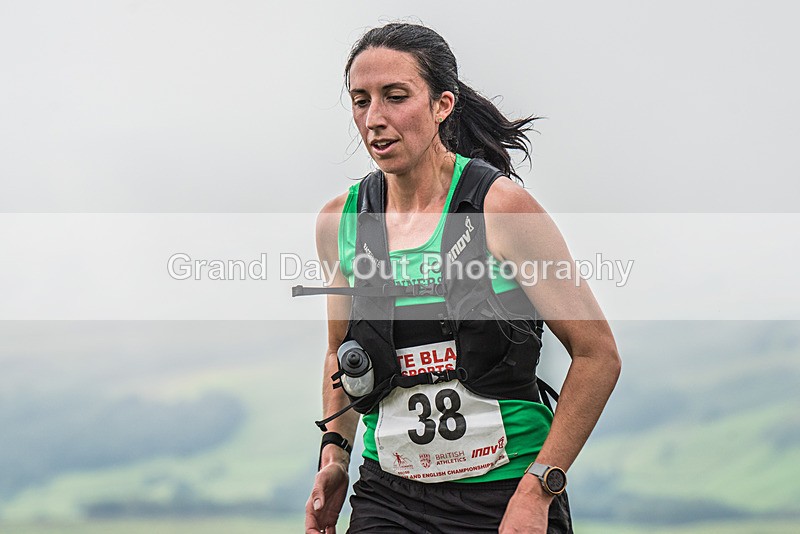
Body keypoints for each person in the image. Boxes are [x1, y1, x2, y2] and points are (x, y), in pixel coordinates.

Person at [302, 22, 621, 534]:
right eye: (361, 101)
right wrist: (335, 456)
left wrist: (540, 487)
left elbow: (597, 354)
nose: (375, 118)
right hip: (389, 496)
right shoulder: (341, 222)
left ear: (442, 105)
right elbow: (340, 353)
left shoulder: (503, 209)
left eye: (395, 97)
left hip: (506, 495)